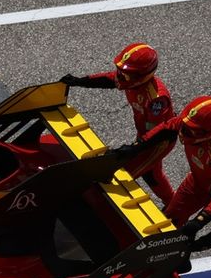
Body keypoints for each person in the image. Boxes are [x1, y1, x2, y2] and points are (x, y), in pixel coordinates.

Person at [61, 42, 175, 203]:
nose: (120, 77)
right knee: (152, 175)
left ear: (142, 76)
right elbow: (109, 80)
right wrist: (80, 81)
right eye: (120, 71)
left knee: (118, 174)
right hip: (145, 135)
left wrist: (134, 148)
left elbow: (158, 134)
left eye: (125, 75)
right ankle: (173, 205)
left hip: (158, 142)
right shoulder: (130, 79)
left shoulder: (156, 100)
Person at [138, 95, 211, 227]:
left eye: (192, 131)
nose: (184, 132)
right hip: (196, 180)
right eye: (186, 127)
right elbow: (168, 126)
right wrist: (140, 143)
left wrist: (203, 218)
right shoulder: (191, 121)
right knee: (171, 218)